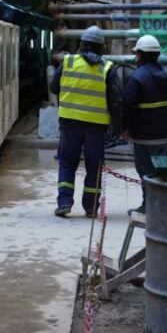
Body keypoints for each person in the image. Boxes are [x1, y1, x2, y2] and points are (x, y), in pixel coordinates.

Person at [49, 26, 122, 218]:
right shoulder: (107, 68)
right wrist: (118, 127)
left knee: (67, 163)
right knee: (94, 166)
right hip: (96, 128)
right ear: (101, 47)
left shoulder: (68, 62)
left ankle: (64, 202)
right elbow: (115, 101)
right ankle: (90, 208)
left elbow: (54, 87)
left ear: (81, 45)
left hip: (69, 123)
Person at [121, 34, 167, 215]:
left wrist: (124, 128)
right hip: (165, 135)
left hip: (144, 136)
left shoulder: (137, 77)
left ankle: (149, 206)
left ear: (141, 55)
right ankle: (160, 205)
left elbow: (128, 106)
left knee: (145, 171)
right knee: (160, 171)